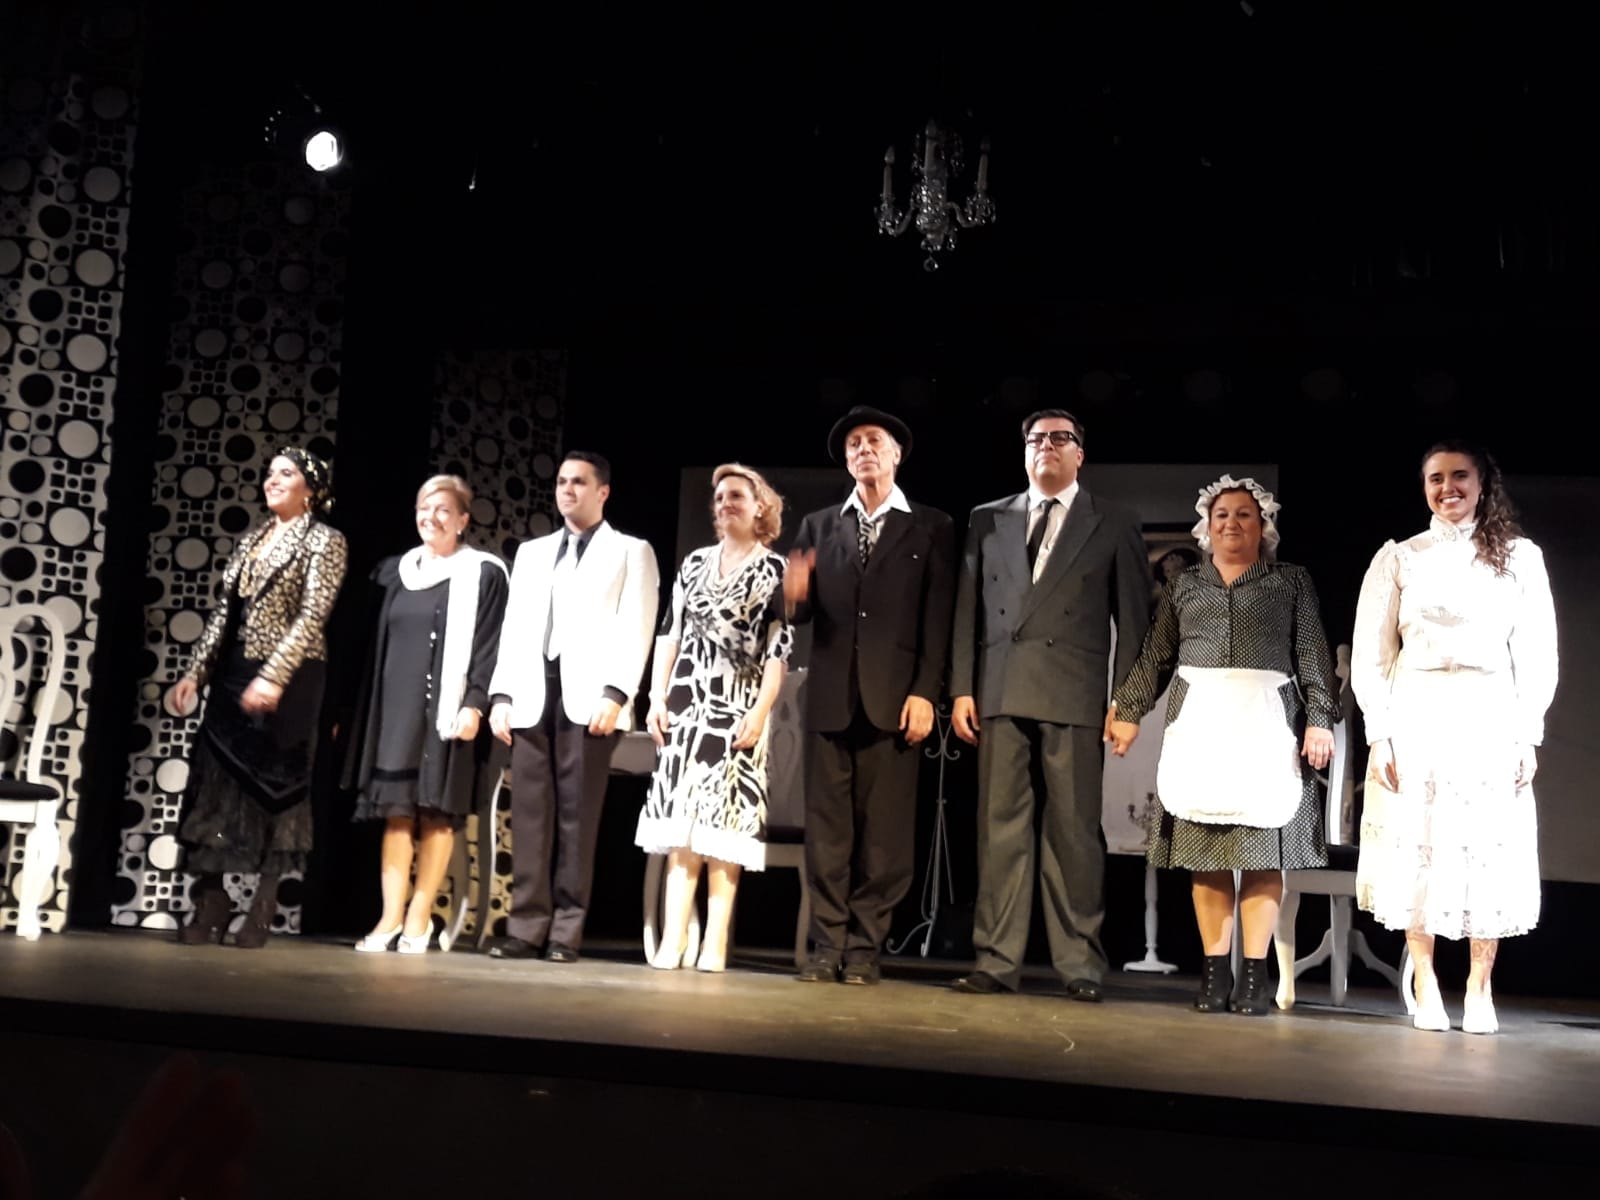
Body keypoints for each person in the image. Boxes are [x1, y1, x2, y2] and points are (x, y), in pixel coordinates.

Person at [1104, 475, 1337, 1015]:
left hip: (1267, 728)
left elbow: (1312, 653)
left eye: (1244, 514)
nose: (1232, 523)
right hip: (1202, 727)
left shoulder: (1290, 581)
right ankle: (1214, 974)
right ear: (1207, 527)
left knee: (1261, 857)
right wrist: (1129, 712)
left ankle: (1253, 976)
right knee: (1205, 856)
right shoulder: (1185, 586)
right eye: (1222, 515)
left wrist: (1320, 719)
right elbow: (1157, 655)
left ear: (1263, 525)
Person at [1352, 441, 1558, 1035]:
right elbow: (1371, 655)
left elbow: (1537, 652)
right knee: (1418, 841)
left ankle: (1479, 986)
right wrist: (1380, 734)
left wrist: (1527, 734)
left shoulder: (1520, 558)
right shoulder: (1399, 558)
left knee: (1484, 846)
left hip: (1488, 715)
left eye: (1459, 476)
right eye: (1436, 478)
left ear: (1481, 482)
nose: (1448, 488)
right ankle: (1426, 981)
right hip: (1416, 713)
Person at [948, 409, 1150, 1002]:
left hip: (1075, 690)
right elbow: (967, 609)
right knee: (999, 830)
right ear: (1025, 451)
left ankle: (1080, 963)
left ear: (1079, 454)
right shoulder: (988, 517)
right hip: (1000, 687)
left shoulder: (1113, 520)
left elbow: (1133, 621)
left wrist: (1128, 703)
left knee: (1074, 832)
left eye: (1061, 439)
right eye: (1037, 439)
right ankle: (995, 960)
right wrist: (961, 687)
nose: (1048, 447)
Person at [783, 405, 956, 985]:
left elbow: (938, 618)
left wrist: (926, 693)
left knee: (884, 838)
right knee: (827, 833)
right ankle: (826, 944)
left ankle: (863, 948)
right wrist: (792, 593)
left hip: (894, 701)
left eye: (873, 441)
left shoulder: (930, 525)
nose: (863, 450)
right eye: (854, 443)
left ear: (896, 454)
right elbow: (799, 613)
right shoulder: (819, 525)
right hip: (830, 700)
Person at [169, 448, 347, 949]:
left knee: (277, 787)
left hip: (293, 677)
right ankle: (212, 899)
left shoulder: (325, 541)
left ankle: (263, 902)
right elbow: (224, 613)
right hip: (234, 674)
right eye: (270, 473)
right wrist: (196, 672)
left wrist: (273, 676)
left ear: (311, 488)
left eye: (286, 473)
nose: (273, 480)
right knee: (215, 784)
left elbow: (312, 615)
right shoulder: (251, 539)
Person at [485, 451, 659, 963]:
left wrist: (617, 692)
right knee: (529, 818)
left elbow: (637, 624)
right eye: (562, 481)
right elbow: (515, 628)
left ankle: (565, 931)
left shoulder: (630, 551)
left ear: (602, 491)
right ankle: (525, 927)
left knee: (577, 820)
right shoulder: (533, 553)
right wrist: (502, 695)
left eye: (579, 482)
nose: (567, 490)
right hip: (533, 696)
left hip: (589, 700)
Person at [342, 475, 509, 953]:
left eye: (443, 510)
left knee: (436, 815)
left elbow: (490, 646)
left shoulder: (483, 573)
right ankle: (389, 917)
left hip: (448, 713)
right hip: (395, 712)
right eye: (423, 508)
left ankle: (419, 919)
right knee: (396, 817)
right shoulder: (394, 573)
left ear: (462, 520)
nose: (431, 517)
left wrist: (475, 703)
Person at [637, 464, 793, 972]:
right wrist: (656, 697)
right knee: (682, 825)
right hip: (687, 704)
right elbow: (670, 633)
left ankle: (715, 941)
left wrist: (761, 712)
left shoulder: (775, 570)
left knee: (724, 825)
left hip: (738, 707)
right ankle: (674, 937)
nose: (726, 503)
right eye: (720, 496)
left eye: (736, 496)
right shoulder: (694, 563)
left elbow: (778, 651)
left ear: (760, 507)